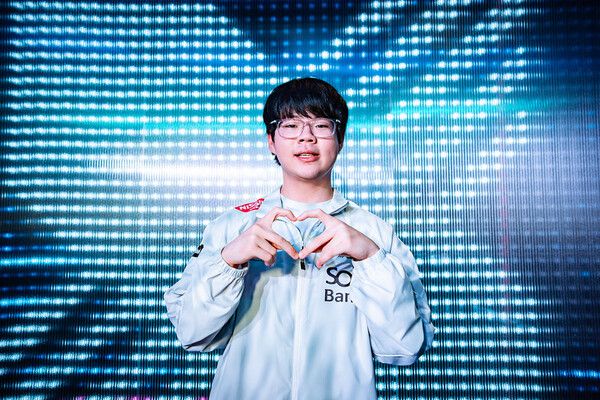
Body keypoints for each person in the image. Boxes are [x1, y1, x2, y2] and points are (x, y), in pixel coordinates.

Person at [164, 77, 435, 399]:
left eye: (321, 125)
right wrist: (228, 263)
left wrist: (371, 259)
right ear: (271, 141)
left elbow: (404, 349)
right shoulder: (232, 226)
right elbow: (193, 335)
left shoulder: (374, 232)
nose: (306, 137)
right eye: (291, 125)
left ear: (340, 139)